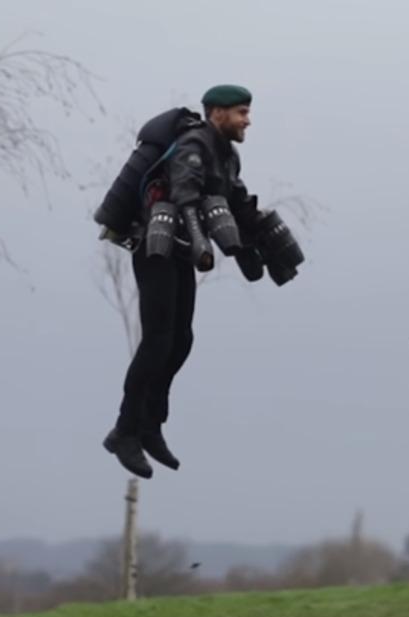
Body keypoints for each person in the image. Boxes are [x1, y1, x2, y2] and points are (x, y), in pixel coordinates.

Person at [97, 84, 303, 479]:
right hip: (154, 247)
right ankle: (124, 430)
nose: (248, 120)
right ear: (217, 113)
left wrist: (263, 243)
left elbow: (238, 202)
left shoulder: (227, 156)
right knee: (158, 339)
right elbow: (185, 195)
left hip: (180, 253)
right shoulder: (194, 147)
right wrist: (209, 247)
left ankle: (150, 425)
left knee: (182, 339)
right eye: (241, 112)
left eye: (248, 112)